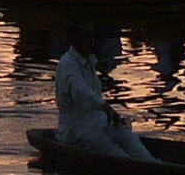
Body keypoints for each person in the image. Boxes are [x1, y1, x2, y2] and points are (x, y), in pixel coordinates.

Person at [55, 23, 157, 161]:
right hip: (76, 131)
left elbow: (93, 97)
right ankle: (132, 164)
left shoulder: (90, 62)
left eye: (92, 37)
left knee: (126, 135)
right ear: (74, 39)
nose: (91, 41)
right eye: (86, 37)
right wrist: (104, 107)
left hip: (98, 123)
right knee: (117, 154)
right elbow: (80, 91)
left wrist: (109, 115)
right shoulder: (67, 64)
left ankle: (151, 162)